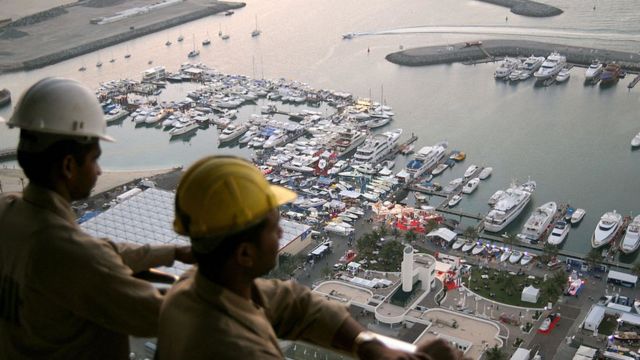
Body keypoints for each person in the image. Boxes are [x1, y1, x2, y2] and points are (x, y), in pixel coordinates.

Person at [157, 156, 468, 360]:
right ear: (245, 253)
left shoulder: (194, 291)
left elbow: (295, 302)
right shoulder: (233, 347)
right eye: (273, 229)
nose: (281, 236)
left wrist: (367, 344)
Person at [0, 77, 194, 359]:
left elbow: (102, 253)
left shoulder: (8, 212)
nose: (100, 171)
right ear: (68, 166)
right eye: (94, 159)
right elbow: (164, 315)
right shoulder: (69, 254)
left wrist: (172, 252)